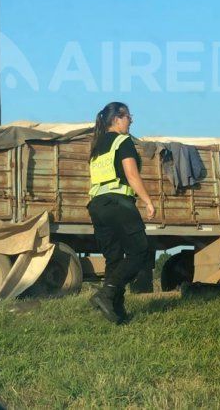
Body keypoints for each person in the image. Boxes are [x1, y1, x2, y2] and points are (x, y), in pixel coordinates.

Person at [87, 102, 156, 324]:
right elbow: (131, 175)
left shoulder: (97, 147)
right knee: (141, 253)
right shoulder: (123, 141)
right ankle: (106, 293)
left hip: (97, 205)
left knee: (114, 259)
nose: (131, 120)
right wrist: (147, 201)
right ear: (117, 118)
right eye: (128, 116)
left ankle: (116, 310)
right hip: (119, 203)